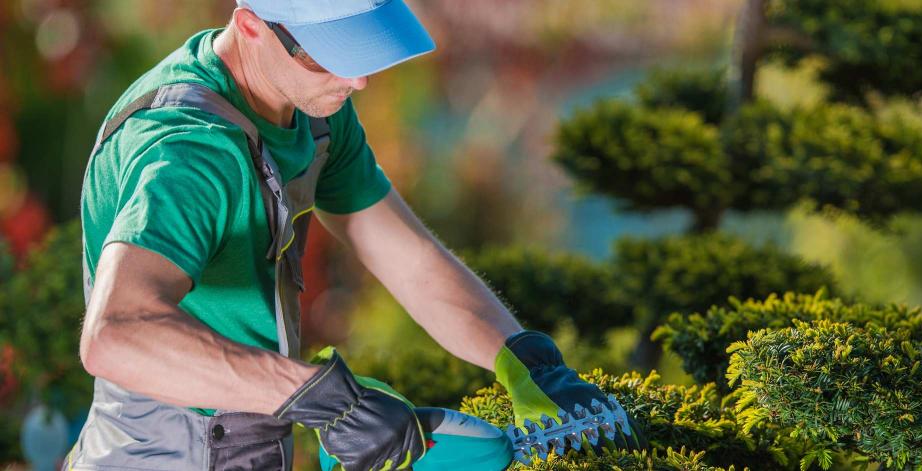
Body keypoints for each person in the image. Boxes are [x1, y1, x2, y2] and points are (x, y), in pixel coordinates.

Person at [66, 0, 642, 469]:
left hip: (254, 431)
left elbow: (408, 257)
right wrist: (326, 398)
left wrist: (523, 358)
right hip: (158, 452)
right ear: (251, 28)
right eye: (331, 56)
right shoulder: (190, 153)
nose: (358, 78)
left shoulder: (312, 107)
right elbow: (117, 336)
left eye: (363, 47)